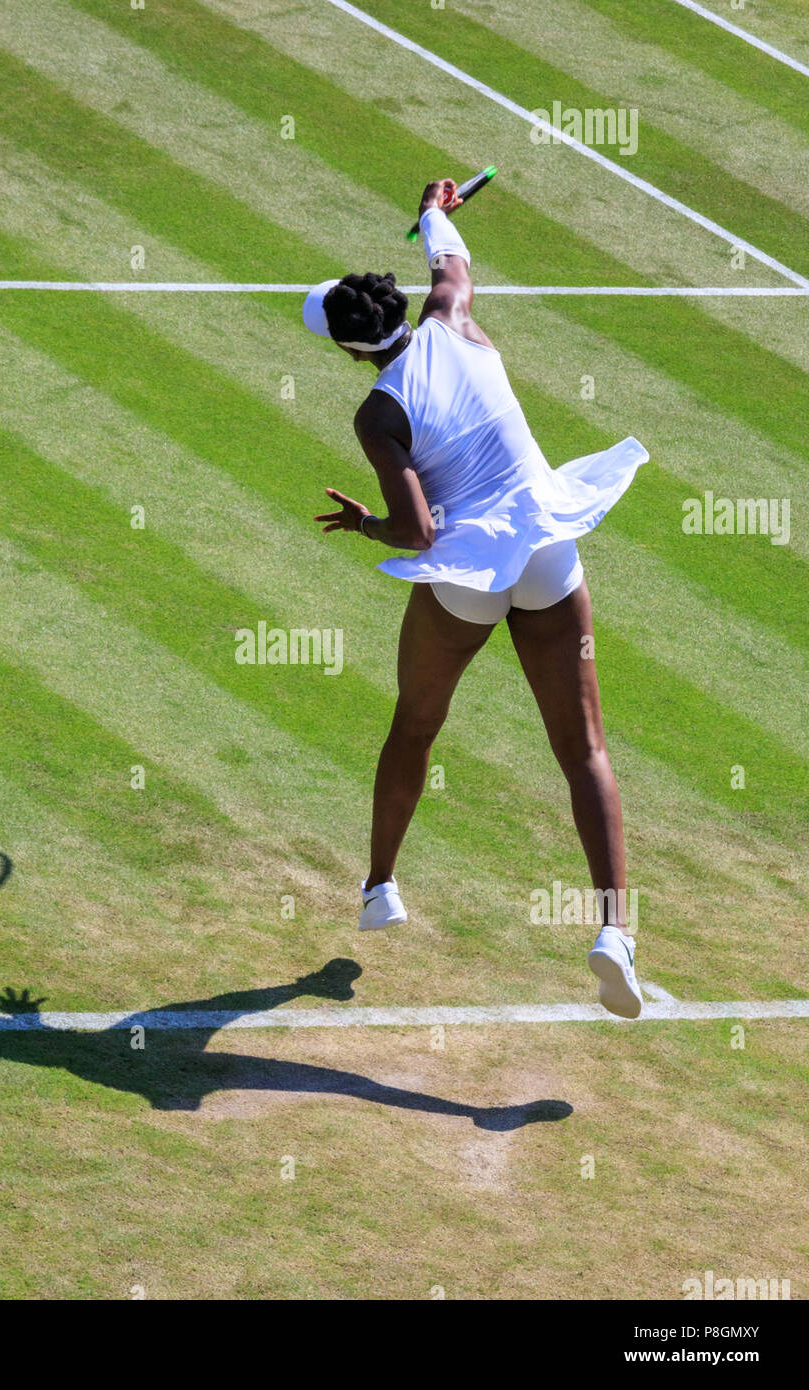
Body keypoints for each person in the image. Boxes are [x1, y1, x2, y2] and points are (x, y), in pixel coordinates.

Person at [304, 178, 648, 1018]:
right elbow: (450, 259)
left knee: (416, 724)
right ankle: (616, 934)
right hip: (545, 542)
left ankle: (381, 886)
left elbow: (418, 532)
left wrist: (364, 526)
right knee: (586, 749)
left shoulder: (377, 413)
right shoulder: (452, 312)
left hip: (468, 571)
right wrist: (432, 210)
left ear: (353, 351)